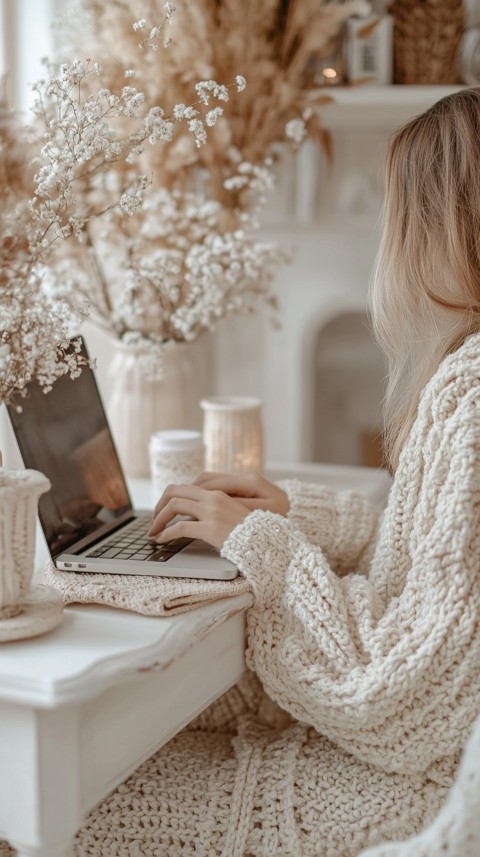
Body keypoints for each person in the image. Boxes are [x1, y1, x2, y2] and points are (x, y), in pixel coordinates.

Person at [77, 88, 480, 855]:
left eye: (398, 213)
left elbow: (405, 700)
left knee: (68, 800)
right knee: (117, 726)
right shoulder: (466, 376)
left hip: (404, 788)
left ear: (446, 229)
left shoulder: (475, 400)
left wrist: (263, 544)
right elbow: (438, 562)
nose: (387, 236)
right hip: (400, 758)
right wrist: (291, 511)